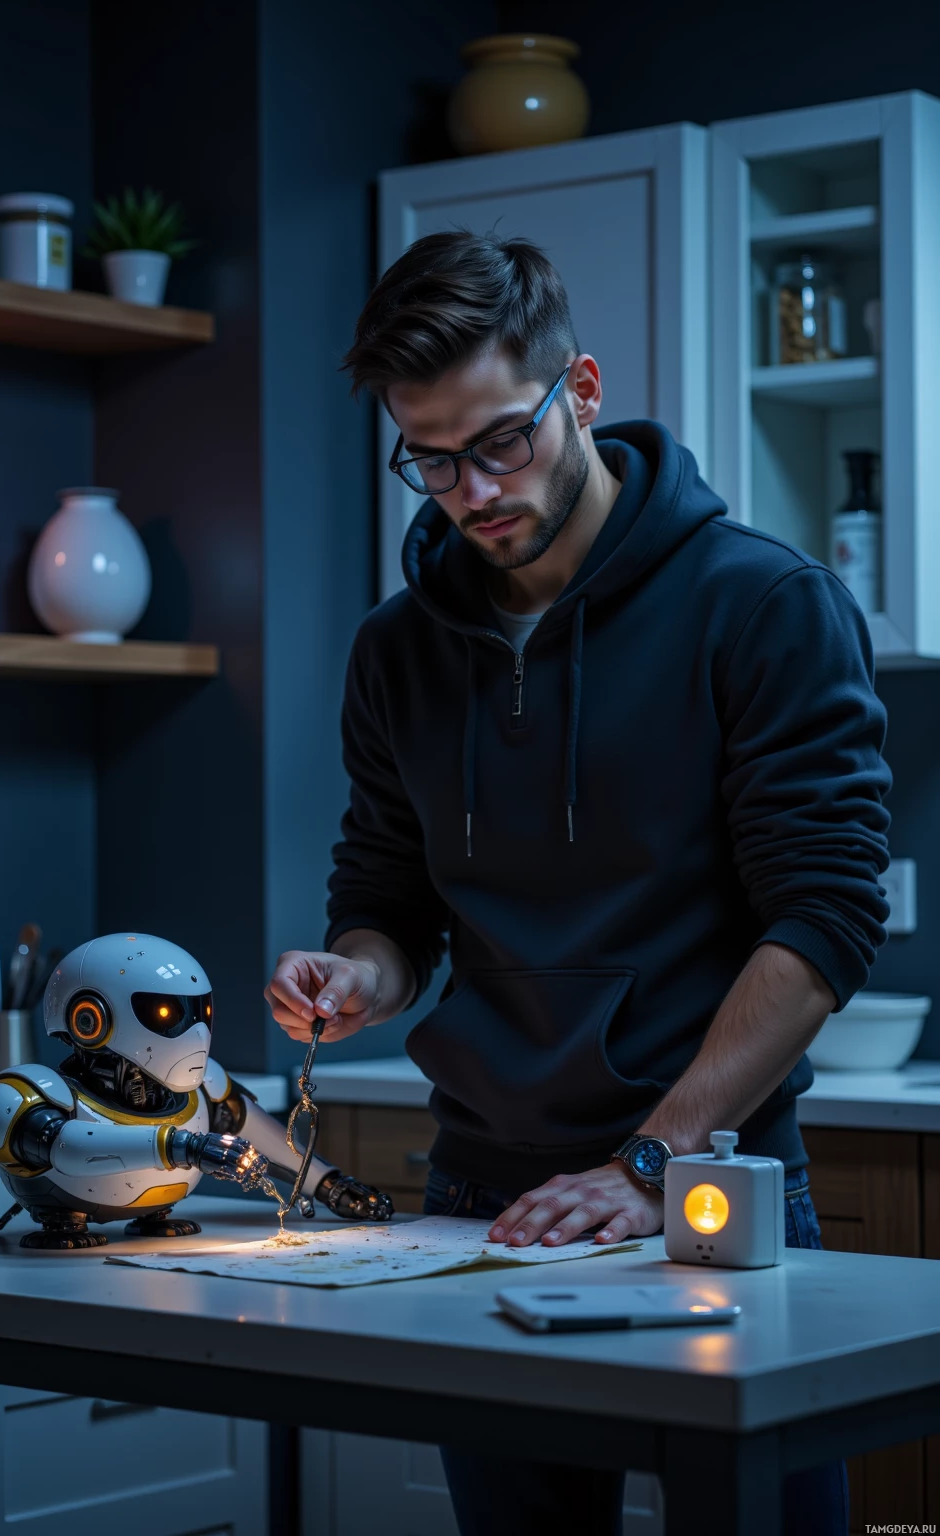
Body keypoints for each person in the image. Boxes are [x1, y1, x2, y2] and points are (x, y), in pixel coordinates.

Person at [263, 231, 890, 1536]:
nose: (470, 490)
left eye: (501, 441)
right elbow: (387, 892)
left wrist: (651, 1160)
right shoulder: (397, 652)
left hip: (709, 1198)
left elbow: (825, 915)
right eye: (428, 460)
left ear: (582, 391)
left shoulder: (764, 605)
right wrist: (356, 976)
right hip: (480, 1206)